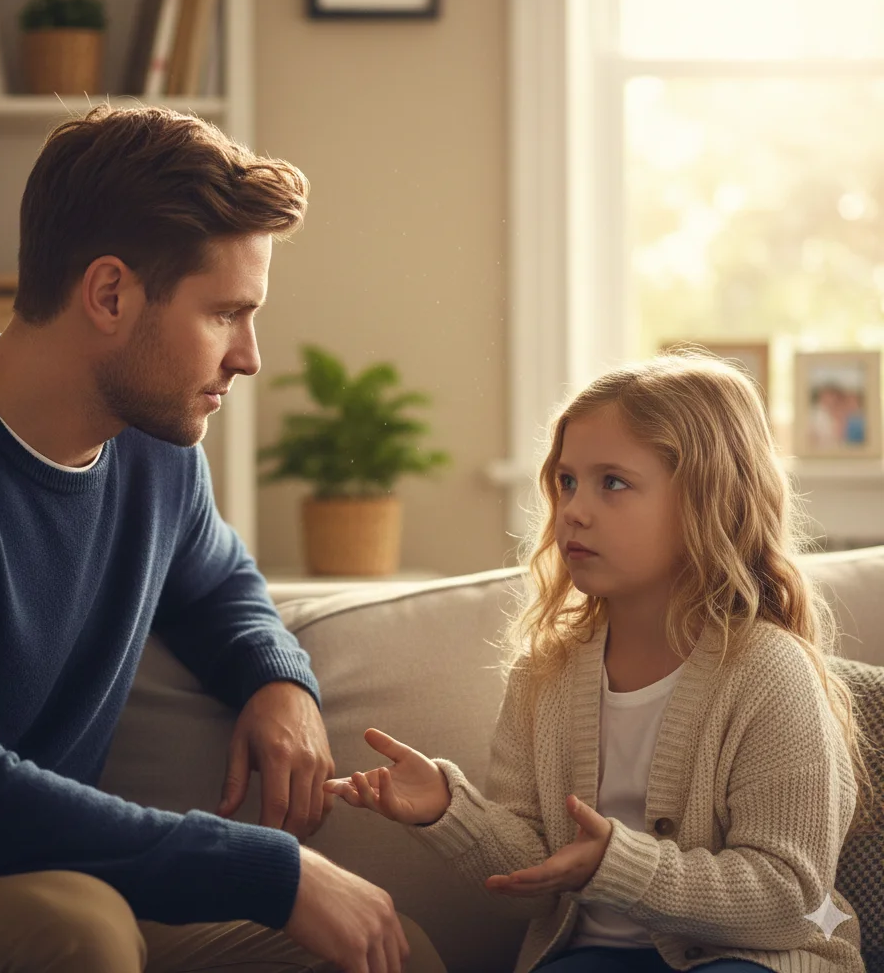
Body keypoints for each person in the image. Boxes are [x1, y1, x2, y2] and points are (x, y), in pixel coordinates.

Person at [0, 103, 445, 973]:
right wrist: (274, 872)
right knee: (80, 928)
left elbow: (218, 584)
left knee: (383, 949)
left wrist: (276, 678)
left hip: (40, 879)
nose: (249, 356)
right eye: (225, 314)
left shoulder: (154, 455)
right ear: (109, 293)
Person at [325, 352, 879, 973]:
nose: (573, 511)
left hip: (751, 958)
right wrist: (448, 811)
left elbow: (786, 898)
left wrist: (615, 863)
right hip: (587, 956)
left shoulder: (767, 670)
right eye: (566, 482)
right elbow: (528, 885)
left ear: (707, 500)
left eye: (612, 482)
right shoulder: (546, 674)